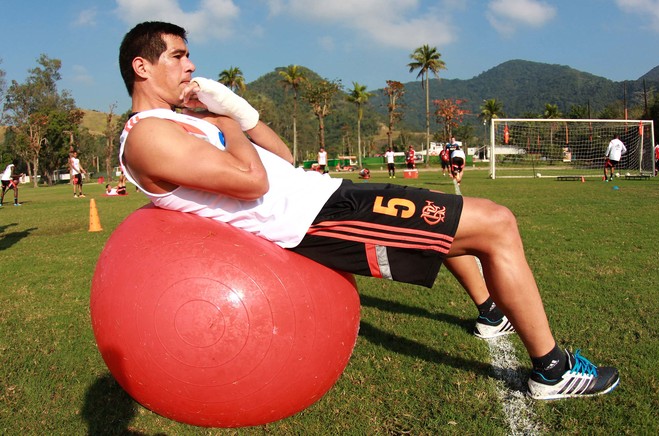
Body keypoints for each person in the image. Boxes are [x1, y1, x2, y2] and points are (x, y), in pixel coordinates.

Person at [117, 21, 619, 400]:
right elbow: (252, 181)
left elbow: (283, 159)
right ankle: (552, 371)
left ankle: (491, 311)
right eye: (179, 57)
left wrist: (236, 113)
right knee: (497, 223)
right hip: (317, 220)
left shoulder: (181, 121)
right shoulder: (148, 134)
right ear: (143, 67)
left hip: (327, 197)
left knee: (453, 213)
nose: (190, 67)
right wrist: (227, 123)